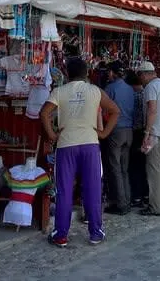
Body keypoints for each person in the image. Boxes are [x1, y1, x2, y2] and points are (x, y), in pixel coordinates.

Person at [40, 57, 120, 247]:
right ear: (86, 73)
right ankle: (95, 233)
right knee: (93, 189)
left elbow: (44, 113)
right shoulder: (95, 91)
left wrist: (52, 134)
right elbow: (116, 111)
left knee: (64, 191)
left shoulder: (59, 91)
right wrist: (104, 133)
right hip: (90, 145)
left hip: (66, 145)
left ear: (67, 73)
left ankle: (61, 235)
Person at [137, 61, 160, 216]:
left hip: (156, 134)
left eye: (140, 75)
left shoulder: (151, 88)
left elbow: (152, 110)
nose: (140, 79)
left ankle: (156, 207)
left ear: (145, 74)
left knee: (154, 171)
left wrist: (146, 133)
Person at [103, 61, 135, 215]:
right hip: (129, 131)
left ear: (113, 73)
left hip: (116, 131)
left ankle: (120, 204)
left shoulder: (110, 89)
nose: (107, 74)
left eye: (109, 71)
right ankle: (127, 201)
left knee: (115, 168)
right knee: (124, 169)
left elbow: (103, 110)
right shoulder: (130, 89)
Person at [125, 71, 149, 207]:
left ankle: (137, 196)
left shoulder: (132, 96)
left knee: (134, 166)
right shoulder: (147, 93)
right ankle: (146, 194)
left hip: (135, 132)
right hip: (145, 131)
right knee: (144, 164)